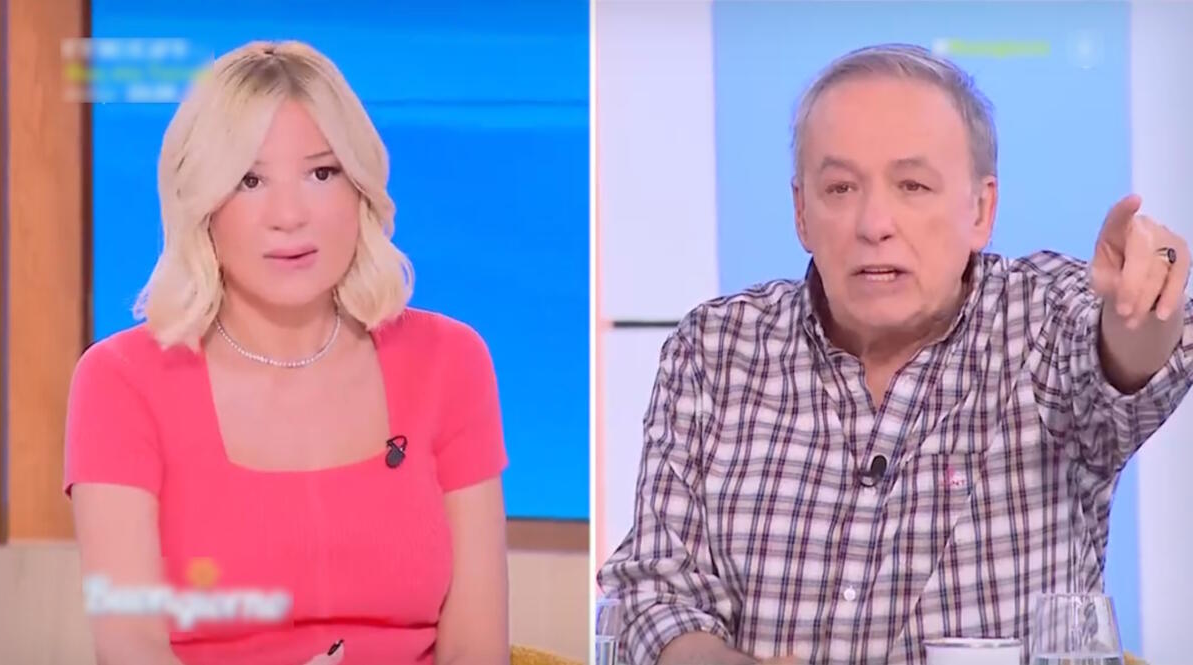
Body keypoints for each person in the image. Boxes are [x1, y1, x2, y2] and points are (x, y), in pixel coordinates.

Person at [598, 43, 1193, 665]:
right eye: (840, 188)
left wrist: (1144, 305)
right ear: (801, 213)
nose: (874, 223)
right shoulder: (715, 349)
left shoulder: (1040, 322)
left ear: (981, 209)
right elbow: (654, 595)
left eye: (912, 186)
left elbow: (1125, 360)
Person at [64, 40, 509, 665]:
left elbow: (476, 647)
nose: (290, 215)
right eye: (250, 180)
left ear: (359, 189)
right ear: (202, 206)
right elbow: (130, 646)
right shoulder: (120, 380)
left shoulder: (450, 361)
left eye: (322, 173)